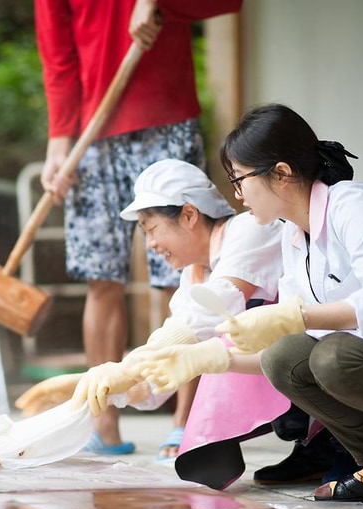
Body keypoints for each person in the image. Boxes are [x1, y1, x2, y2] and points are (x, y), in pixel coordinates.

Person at [106, 103, 363, 502]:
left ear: (280, 173)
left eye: (240, 179)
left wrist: (297, 314)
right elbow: (294, 337)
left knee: (328, 356)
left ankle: (327, 450)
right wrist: (215, 360)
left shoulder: (350, 206)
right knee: (284, 357)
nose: (238, 193)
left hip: (347, 358)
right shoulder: (292, 236)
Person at [35, 0, 242, 455]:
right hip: (91, 128)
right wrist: (59, 137)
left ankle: (187, 422)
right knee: (101, 277)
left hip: (166, 117)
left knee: (183, 271)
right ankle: (101, 422)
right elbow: (58, 55)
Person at [17, 159, 291, 485]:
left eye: (151, 228)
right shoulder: (194, 274)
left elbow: (201, 320)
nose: (149, 244)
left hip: (321, 351)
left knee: (229, 342)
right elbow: (161, 377)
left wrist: (123, 369)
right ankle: (312, 446)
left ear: (189, 215)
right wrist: (97, 388)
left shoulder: (249, 230)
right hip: (282, 366)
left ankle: (330, 443)